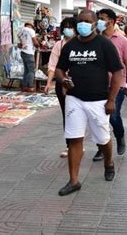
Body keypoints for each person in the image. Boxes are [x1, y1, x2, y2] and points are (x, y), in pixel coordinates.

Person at [55, 10, 123, 196]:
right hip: (74, 99)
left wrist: (111, 100)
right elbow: (59, 70)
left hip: (99, 100)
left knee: (102, 139)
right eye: (80, 21)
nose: (82, 24)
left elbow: (117, 73)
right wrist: (63, 80)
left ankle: (108, 162)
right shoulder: (70, 46)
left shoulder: (104, 44)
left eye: (87, 21)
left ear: (94, 24)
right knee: (74, 139)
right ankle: (74, 180)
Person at [92, 8, 127, 161]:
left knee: (113, 116)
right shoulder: (95, 39)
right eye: (99, 18)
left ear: (111, 21)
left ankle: (120, 136)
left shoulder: (122, 40)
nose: (99, 21)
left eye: (102, 18)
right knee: (98, 119)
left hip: (118, 85)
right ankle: (102, 148)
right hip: (98, 85)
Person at [44, 17, 77, 158]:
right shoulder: (59, 44)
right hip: (62, 83)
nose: (68, 29)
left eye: (71, 26)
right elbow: (52, 65)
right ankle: (70, 146)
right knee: (67, 114)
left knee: (81, 114)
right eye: (66, 27)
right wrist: (48, 83)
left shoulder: (81, 44)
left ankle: (81, 144)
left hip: (80, 84)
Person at [17, 22, 39, 92]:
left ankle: (24, 86)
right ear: (31, 26)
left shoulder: (20, 31)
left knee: (26, 70)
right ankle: (30, 86)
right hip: (29, 52)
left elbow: (19, 43)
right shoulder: (31, 31)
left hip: (23, 52)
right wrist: (38, 45)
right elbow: (35, 42)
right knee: (31, 70)